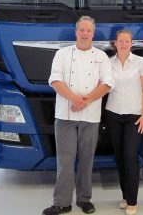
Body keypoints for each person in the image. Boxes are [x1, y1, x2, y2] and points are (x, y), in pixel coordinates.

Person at [43, 16, 114, 215]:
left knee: (86, 159)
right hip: (65, 116)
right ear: (76, 32)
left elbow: (107, 84)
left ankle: (84, 199)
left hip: (90, 116)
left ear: (92, 33)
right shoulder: (62, 54)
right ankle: (61, 203)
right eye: (81, 30)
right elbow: (55, 81)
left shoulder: (101, 56)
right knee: (65, 161)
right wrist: (75, 99)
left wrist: (85, 101)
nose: (84, 33)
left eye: (88, 30)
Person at [105, 29, 143, 215]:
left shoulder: (141, 62)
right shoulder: (108, 63)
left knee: (130, 157)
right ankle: (125, 195)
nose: (124, 44)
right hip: (113, 114)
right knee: (120, 157)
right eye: (120, 41)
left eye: (127, 41)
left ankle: (132, 200)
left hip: (135, 116)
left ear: (131, 43)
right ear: (115, 43)